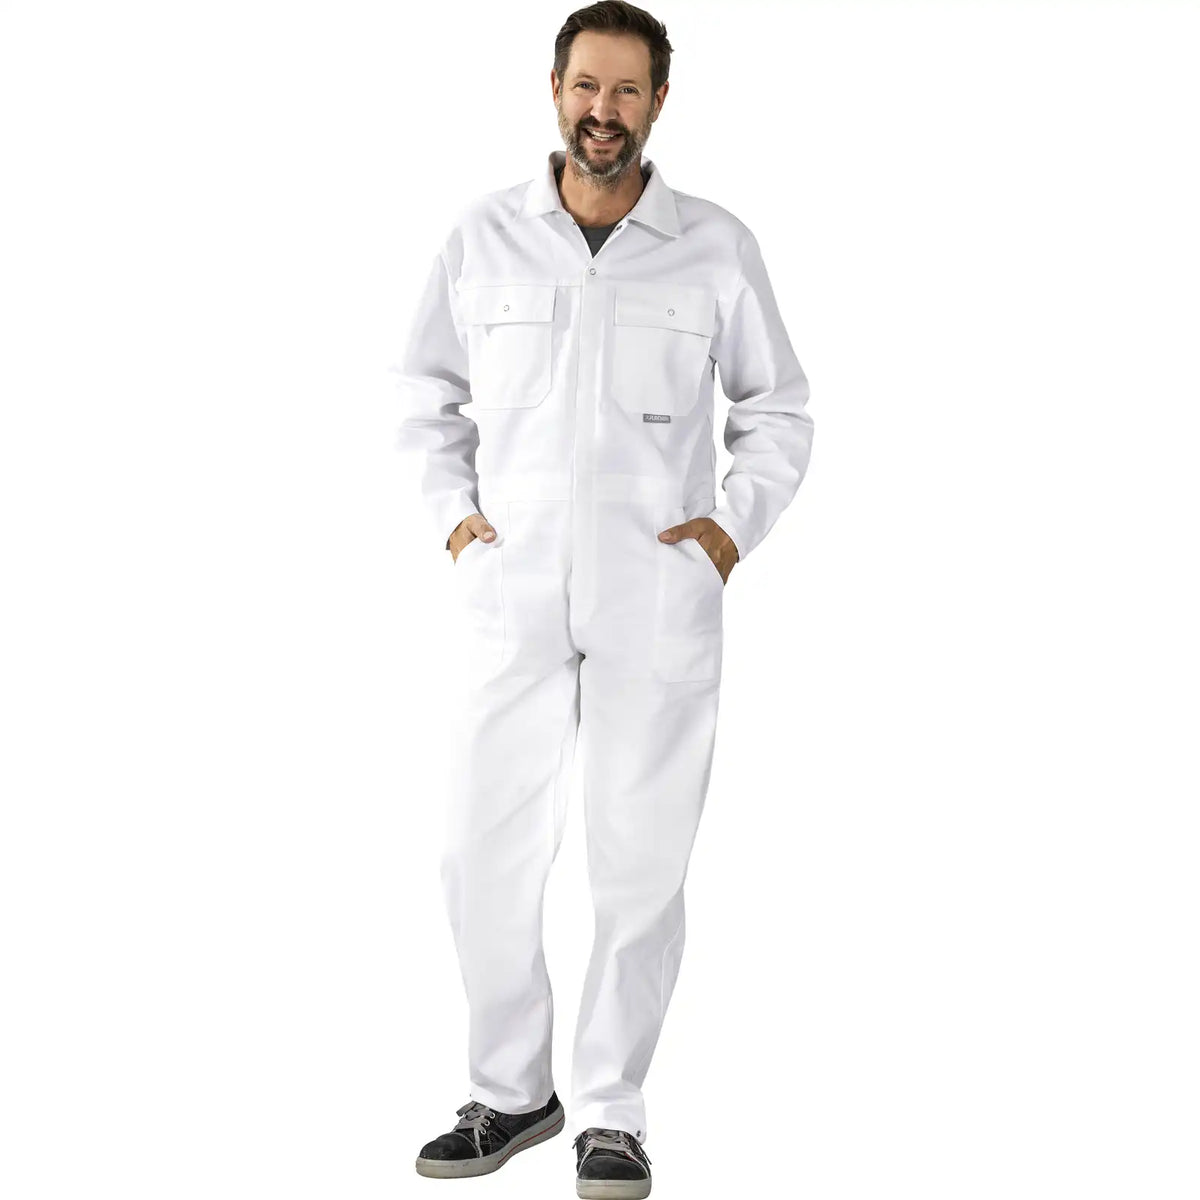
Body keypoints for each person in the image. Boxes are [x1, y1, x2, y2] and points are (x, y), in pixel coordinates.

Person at [392, 3, 813, 1196]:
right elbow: (422, 393)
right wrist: (455, 521)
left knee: (640, 866)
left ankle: (613, 1110)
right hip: (510, 593)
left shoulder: (714, 246)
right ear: (554, 88)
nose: (603, 111)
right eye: (587, 85)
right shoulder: (483, 237)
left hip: (655, 599)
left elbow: (778, 407)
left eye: (628, 91)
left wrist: (727, 533)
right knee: (479, 851)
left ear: (660, 102)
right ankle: (511, 1092)